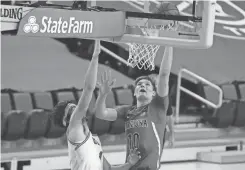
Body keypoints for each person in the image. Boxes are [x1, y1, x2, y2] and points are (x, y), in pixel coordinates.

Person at [52, 40, 141, 170]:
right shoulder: (73, 131)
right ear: (66, 122)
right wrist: (95, 57)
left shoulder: (94, 141)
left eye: (74, 107)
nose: (75, 109)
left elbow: (109, 169)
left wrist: (130, 164)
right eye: (71, 112)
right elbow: (88, 89)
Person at [95, 46, 174, 170]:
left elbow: (164, 75)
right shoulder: (126, 111)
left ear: (154, 93)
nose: (143, 85)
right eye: (139, 84)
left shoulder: (158, 108)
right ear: (135, 93)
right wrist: (102, 95)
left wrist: (169, 44)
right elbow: (101, 114)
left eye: (147, 84)